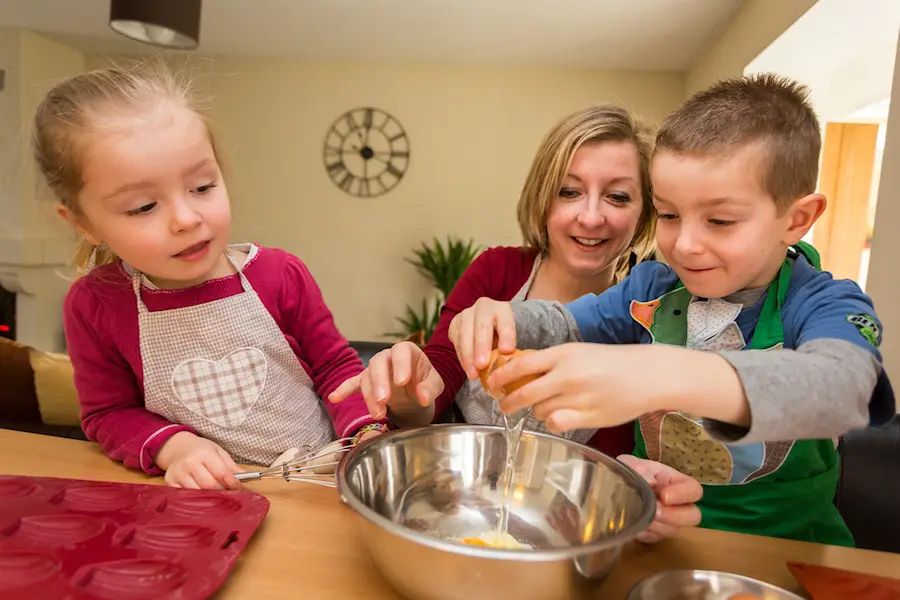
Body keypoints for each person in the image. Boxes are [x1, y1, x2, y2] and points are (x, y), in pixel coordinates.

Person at [448, 73, 895, 546]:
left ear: (797, 219)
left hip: (788, 552)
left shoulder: (822, 301)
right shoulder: (650, 289)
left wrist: (665, 371)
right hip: (666, 546)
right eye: (668, 214)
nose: (684, 245)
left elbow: (846, 387)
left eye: (719, 221)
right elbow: (567, 324)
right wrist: (501, 317)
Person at [333, 105, 703, 543]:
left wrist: (650, 500)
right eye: (569, 192)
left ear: (645, 211)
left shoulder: (652, 316)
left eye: (618, 196)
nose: (590, 217)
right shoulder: (497, 272)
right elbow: (435, 388)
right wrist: (408, 390)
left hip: (566, 538)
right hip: (456, 516)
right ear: (542, 198)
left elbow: (625, 467)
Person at [34, 62, 389, 491]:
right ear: (84, 223)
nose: (187, 218)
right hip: (207, 505)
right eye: (145, 206)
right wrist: (176, 448)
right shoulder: (95, 305)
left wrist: (365, 434)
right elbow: (107, 414)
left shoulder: (280, 274)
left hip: (318, 485)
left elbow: (337, 370)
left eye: (202, 186)